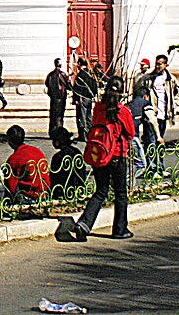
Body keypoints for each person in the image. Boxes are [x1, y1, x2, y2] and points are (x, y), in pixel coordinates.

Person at [72, 77, 136, 241]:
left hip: (99, 154)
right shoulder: (122, 111)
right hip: (116, 154)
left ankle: (84, 223)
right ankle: (120, 229)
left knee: (101, 191)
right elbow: (131, 133)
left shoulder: (98, 108)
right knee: (120, 194)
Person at [4, 125, 49, 204]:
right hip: (43, 190)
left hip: (29, 194)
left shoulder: (14, 159)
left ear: (9, 141)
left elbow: (11, 184)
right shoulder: (36, 151)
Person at [48, 126, 89, 200]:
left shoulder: (58, 156)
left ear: (57, 142)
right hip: (78, 187)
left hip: (63, 190)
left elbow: (54, 176)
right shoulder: (76, 151)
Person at [152, 54, 179, 142]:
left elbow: (176, 90)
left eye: (160, 64)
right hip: (153, 110)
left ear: (165, 65)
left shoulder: (170, 79)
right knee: (151, 136)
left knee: (161, 134)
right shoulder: (150, 78)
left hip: (164, 110)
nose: (158, 66)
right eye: (156, 64)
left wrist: (174, 103)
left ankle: (159, 153)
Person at [72, 58, 97, 141]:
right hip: (89, 98)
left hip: (82, 98)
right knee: (89, 116)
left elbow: (77, 88)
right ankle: (89, 133)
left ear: (79, 64)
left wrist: (75, 99)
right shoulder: (91, 74)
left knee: (81, 117)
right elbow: (95, 86)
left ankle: (83, 135)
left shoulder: (81, 75)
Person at [44, 58, 70, 139]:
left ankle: (52, 132)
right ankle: (58, 132)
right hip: (61, 98)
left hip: (53, 98)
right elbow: (68, 85)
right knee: (59, 116)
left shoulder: (50, 75)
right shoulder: (63, 74)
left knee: (53, 115)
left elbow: (47, 84)